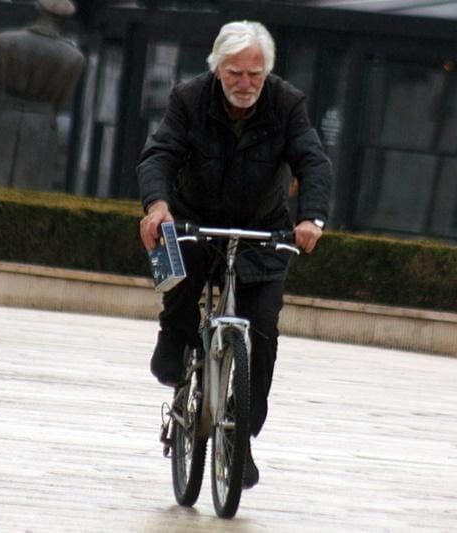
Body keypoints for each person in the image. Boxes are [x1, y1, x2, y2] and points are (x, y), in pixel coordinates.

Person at [137, 21, 332, 489]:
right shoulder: (189, 98)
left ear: (267, 72)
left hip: (261, 231)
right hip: (196, 222)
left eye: (255, 74)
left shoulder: (287, 103)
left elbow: (312, 160)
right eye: (235, 73)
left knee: (262, 331)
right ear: (217, 69)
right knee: (181, 288)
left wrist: (312, 218)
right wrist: (158, 206)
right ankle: (174, 340)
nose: (245, 83)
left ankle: (240, 437)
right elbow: (160, 154)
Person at [0, 0, 84, 190]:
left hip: (3, 117)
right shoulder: (74, 58)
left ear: (39, 8)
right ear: (66, 18)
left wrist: (1, 106)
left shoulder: (3, 41)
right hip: (42, 126)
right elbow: (61, 102)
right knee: (32, 186)